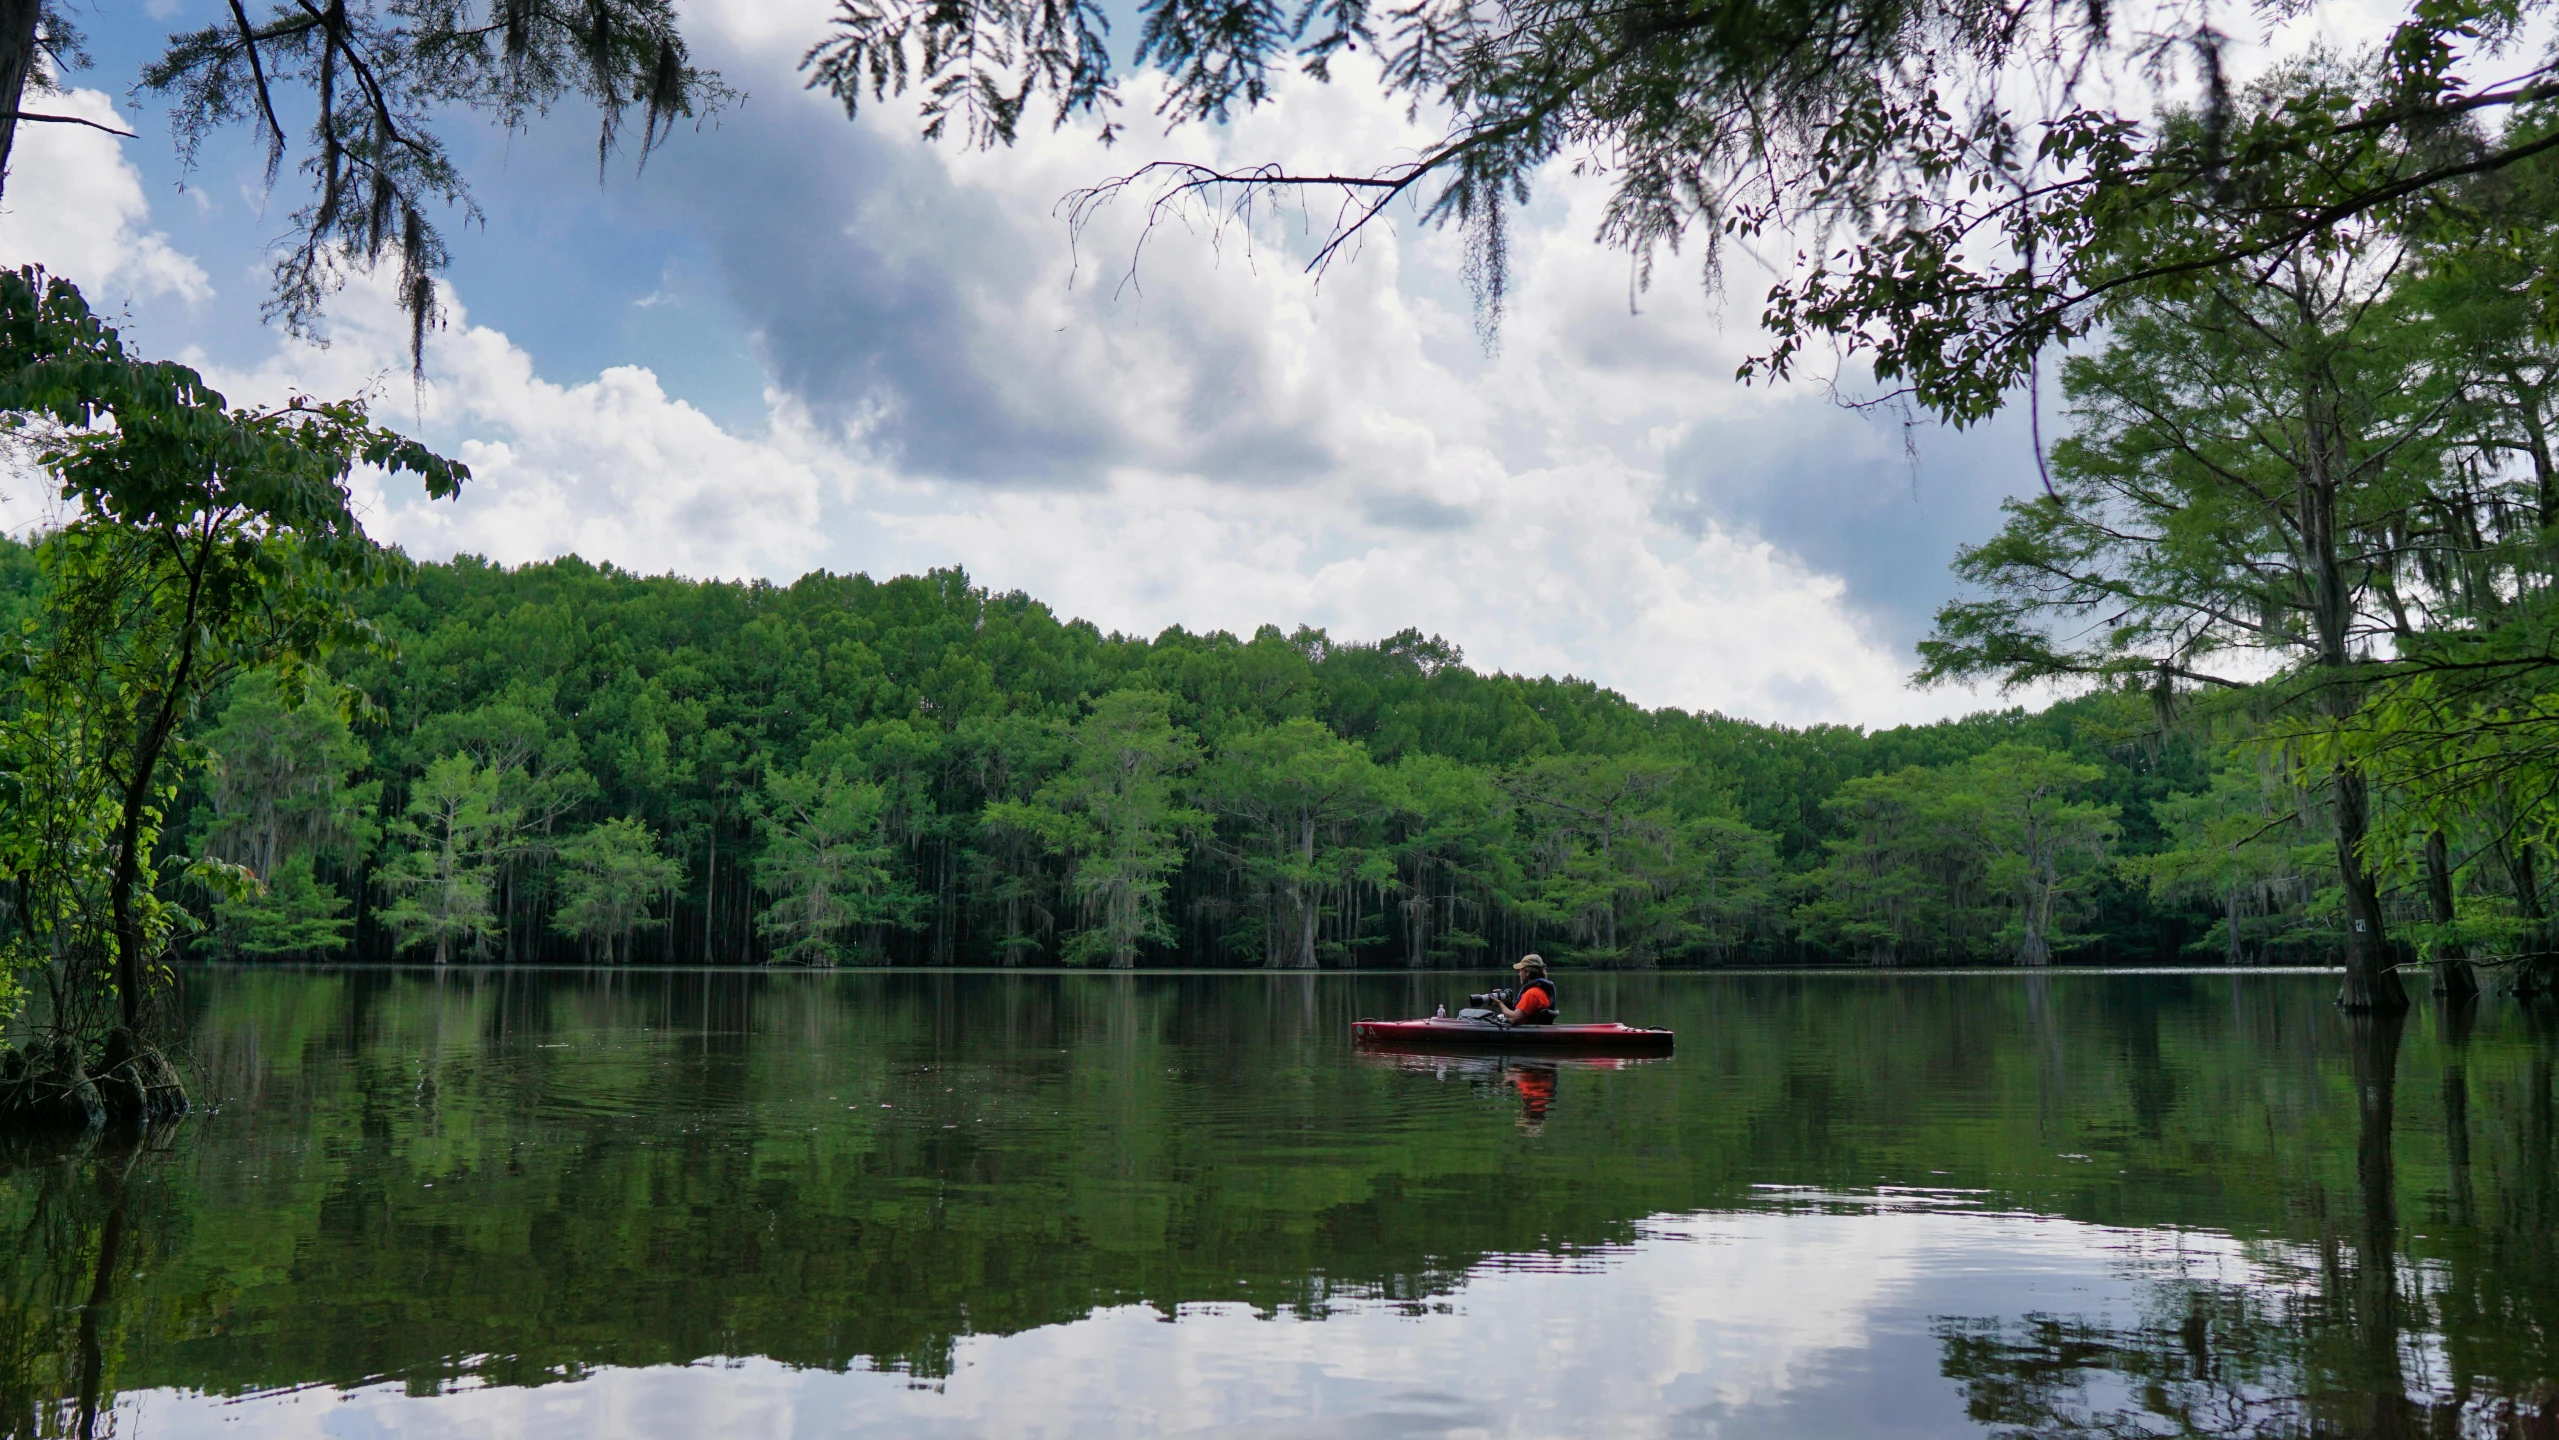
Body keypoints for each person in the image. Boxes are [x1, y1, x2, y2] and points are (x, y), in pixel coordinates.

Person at [1495, 955, 1557, 1025]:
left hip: (1529, 1034)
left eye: (1521, 970)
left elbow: (1513, 1019)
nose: (1519, 974)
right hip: (1538, 1031)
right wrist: (1507, 1003)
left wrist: (1499, 1003)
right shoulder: (1542, 991)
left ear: (1527, 973)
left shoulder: (1532, 994)